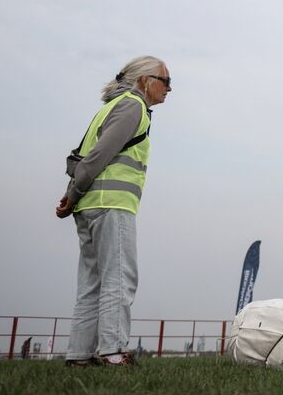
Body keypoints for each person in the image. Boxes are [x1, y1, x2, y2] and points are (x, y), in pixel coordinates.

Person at [56, 56, 173, 367]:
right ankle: (112, 353)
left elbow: (83, 155)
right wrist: (74, 193)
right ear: (145, 81)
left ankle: (79, 356)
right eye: (166, 81)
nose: (169, 89)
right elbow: (99, 155)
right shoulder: (133, 105)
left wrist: (72, 197)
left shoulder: (110, 106)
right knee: (119, 279)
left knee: (91, 283)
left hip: (90, 206)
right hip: (111, 204)